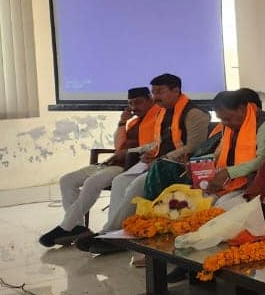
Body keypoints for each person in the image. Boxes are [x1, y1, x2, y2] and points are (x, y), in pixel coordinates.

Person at [77, 74, 211, 254]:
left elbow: (194, 146)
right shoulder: (163, 112)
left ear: (176, 90)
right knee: (120, 181)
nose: (155, 97)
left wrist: (161, 159)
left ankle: (111, 236)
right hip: (158, 164)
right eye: (153, 92)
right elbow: (157, 143)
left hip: (178, 168)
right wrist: (133, 152)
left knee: (136, 185)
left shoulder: (194, 113)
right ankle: (114, 231)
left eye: (160, 92)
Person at [39, 87, 162, 247]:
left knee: (92, 182)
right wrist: (122, 122)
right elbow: (118, 146)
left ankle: (66, 227)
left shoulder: (159, 117)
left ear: (150, 100)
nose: (134, 107)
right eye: (130, 104)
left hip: (128, 165)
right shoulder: (133, 123)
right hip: (111, 162)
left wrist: (128, 152)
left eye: (138, 102)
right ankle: (77, 227)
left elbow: (153, 145)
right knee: (67, 180)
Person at [206, 90, 265, 207]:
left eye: (227, 118)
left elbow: (264, 160)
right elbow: (223, 153)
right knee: (202, 202)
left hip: (262, 184)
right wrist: (198, 164)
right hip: (234, 183)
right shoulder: (230, 125)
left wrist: (229, 172)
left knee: (220, 208)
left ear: (242, 109)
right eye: (221, 119)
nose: (224, 123)